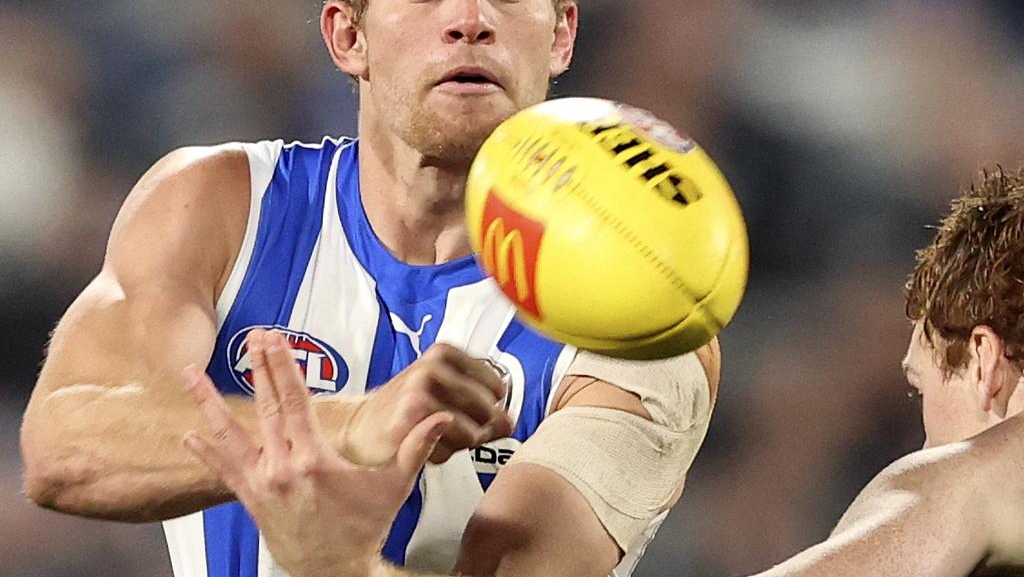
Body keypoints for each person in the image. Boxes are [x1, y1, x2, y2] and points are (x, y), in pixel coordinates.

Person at [20, 0, 721, 577]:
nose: (470, 20)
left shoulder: (648, 309)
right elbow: (64, 451)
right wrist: (354, 422)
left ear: (561, 36)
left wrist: (339, 566)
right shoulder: (223, 204)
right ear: (347, 36)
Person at [186, 168, 1024, 577]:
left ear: (983, 362)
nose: (924, 434)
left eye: (922, 392)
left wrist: (343, 566)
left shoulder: (974, 481)